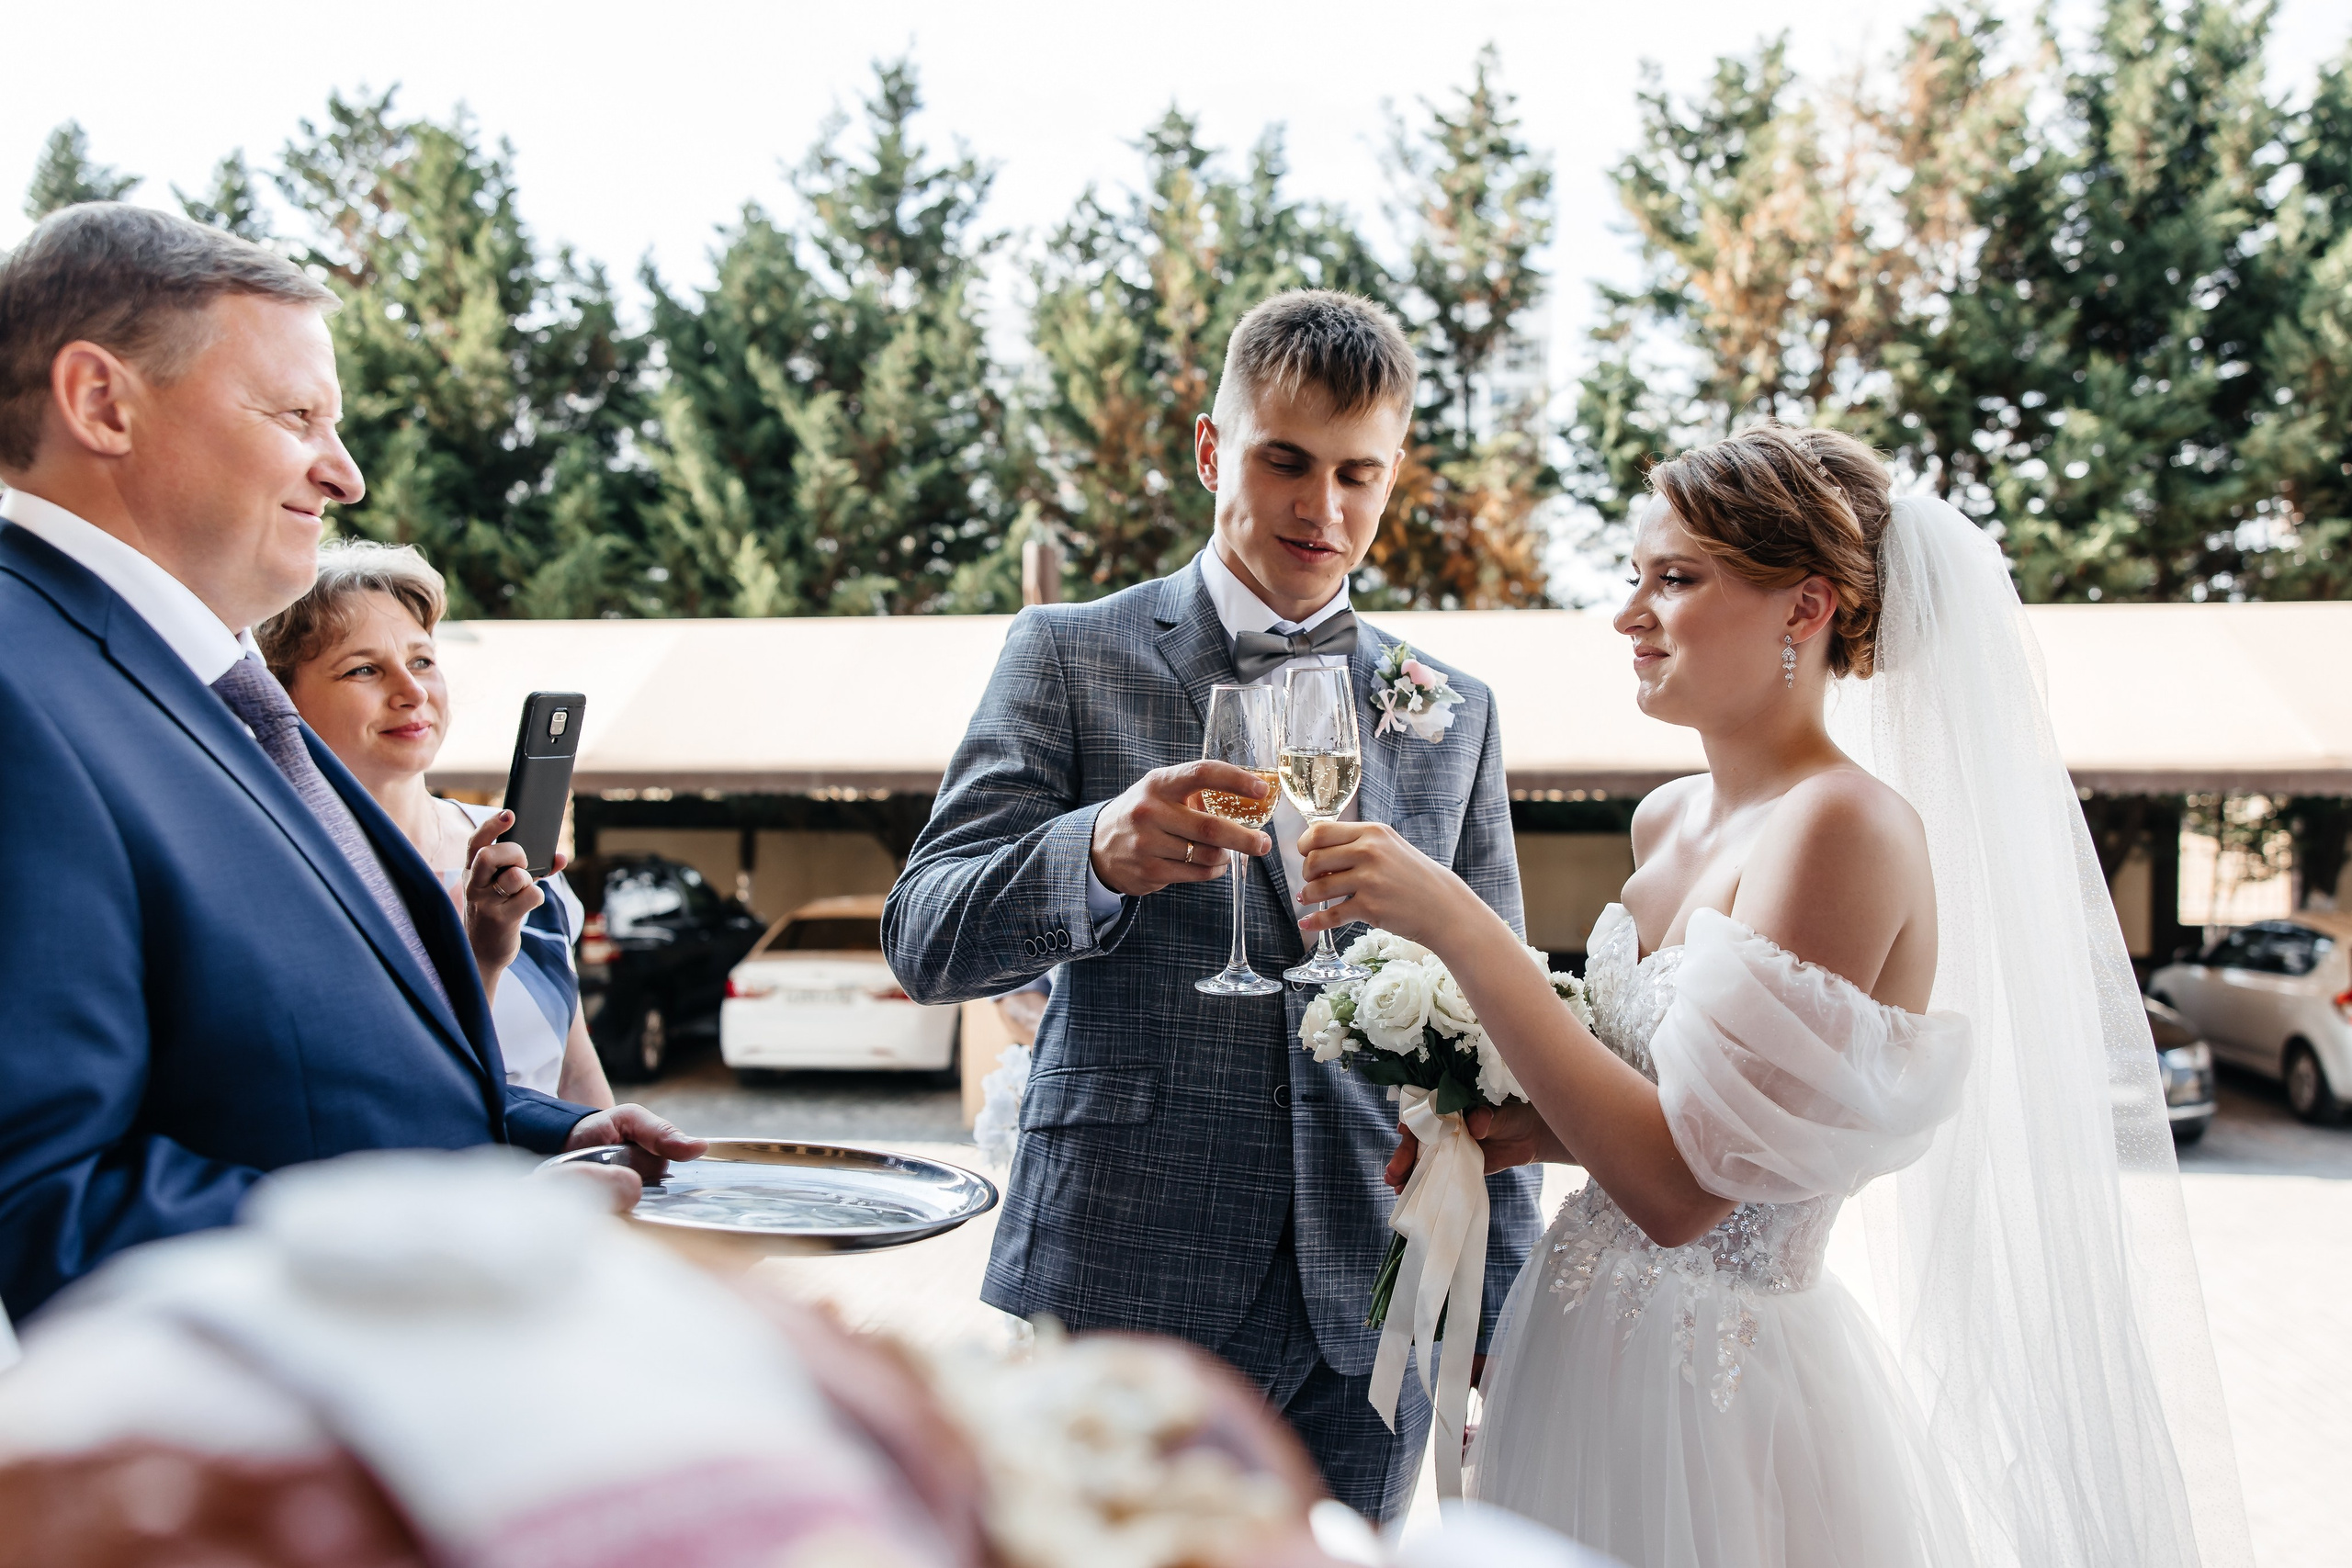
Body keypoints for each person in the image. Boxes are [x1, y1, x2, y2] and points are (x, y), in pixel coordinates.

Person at [1296, 425, 2251, 1565]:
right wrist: (1518, 1134)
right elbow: (1671, 1113)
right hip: (1574, 1337)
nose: (1629, 614)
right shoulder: (1666, 819)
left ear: (1805, 610)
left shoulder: (1841, 827)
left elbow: (1684, 1194)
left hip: (1712, 1394)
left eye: (1677, 578)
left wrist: (1454, 923)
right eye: (1635, 575)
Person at [884, 288, 1541, 1522]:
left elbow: (1497, 1035)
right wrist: (1093, 852)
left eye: (1360, 473)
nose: (1323, 508)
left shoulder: (1450, 708)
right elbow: (924, 935)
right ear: (1207, 449)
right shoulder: (1067, 653)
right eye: (1285, 461)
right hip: (1131, 1264)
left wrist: (1494, 1301)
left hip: (1381, 1297)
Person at [0, 202, 695, 1322]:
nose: (347, 475)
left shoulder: (212, 689)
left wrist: (542, 1135)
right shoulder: (20, 690)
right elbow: (45, 1200)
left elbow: (281, 1081)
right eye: (297, 416)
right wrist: (471, 1233)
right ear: (101, 402)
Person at [256, 539, 614, 1107]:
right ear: (281, 698)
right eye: (365, 669)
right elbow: (389, 1099)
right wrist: (481, 955)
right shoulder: (281, 876)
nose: (413, 691)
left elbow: (574, 1078)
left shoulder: (515, 853)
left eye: (422, 660)